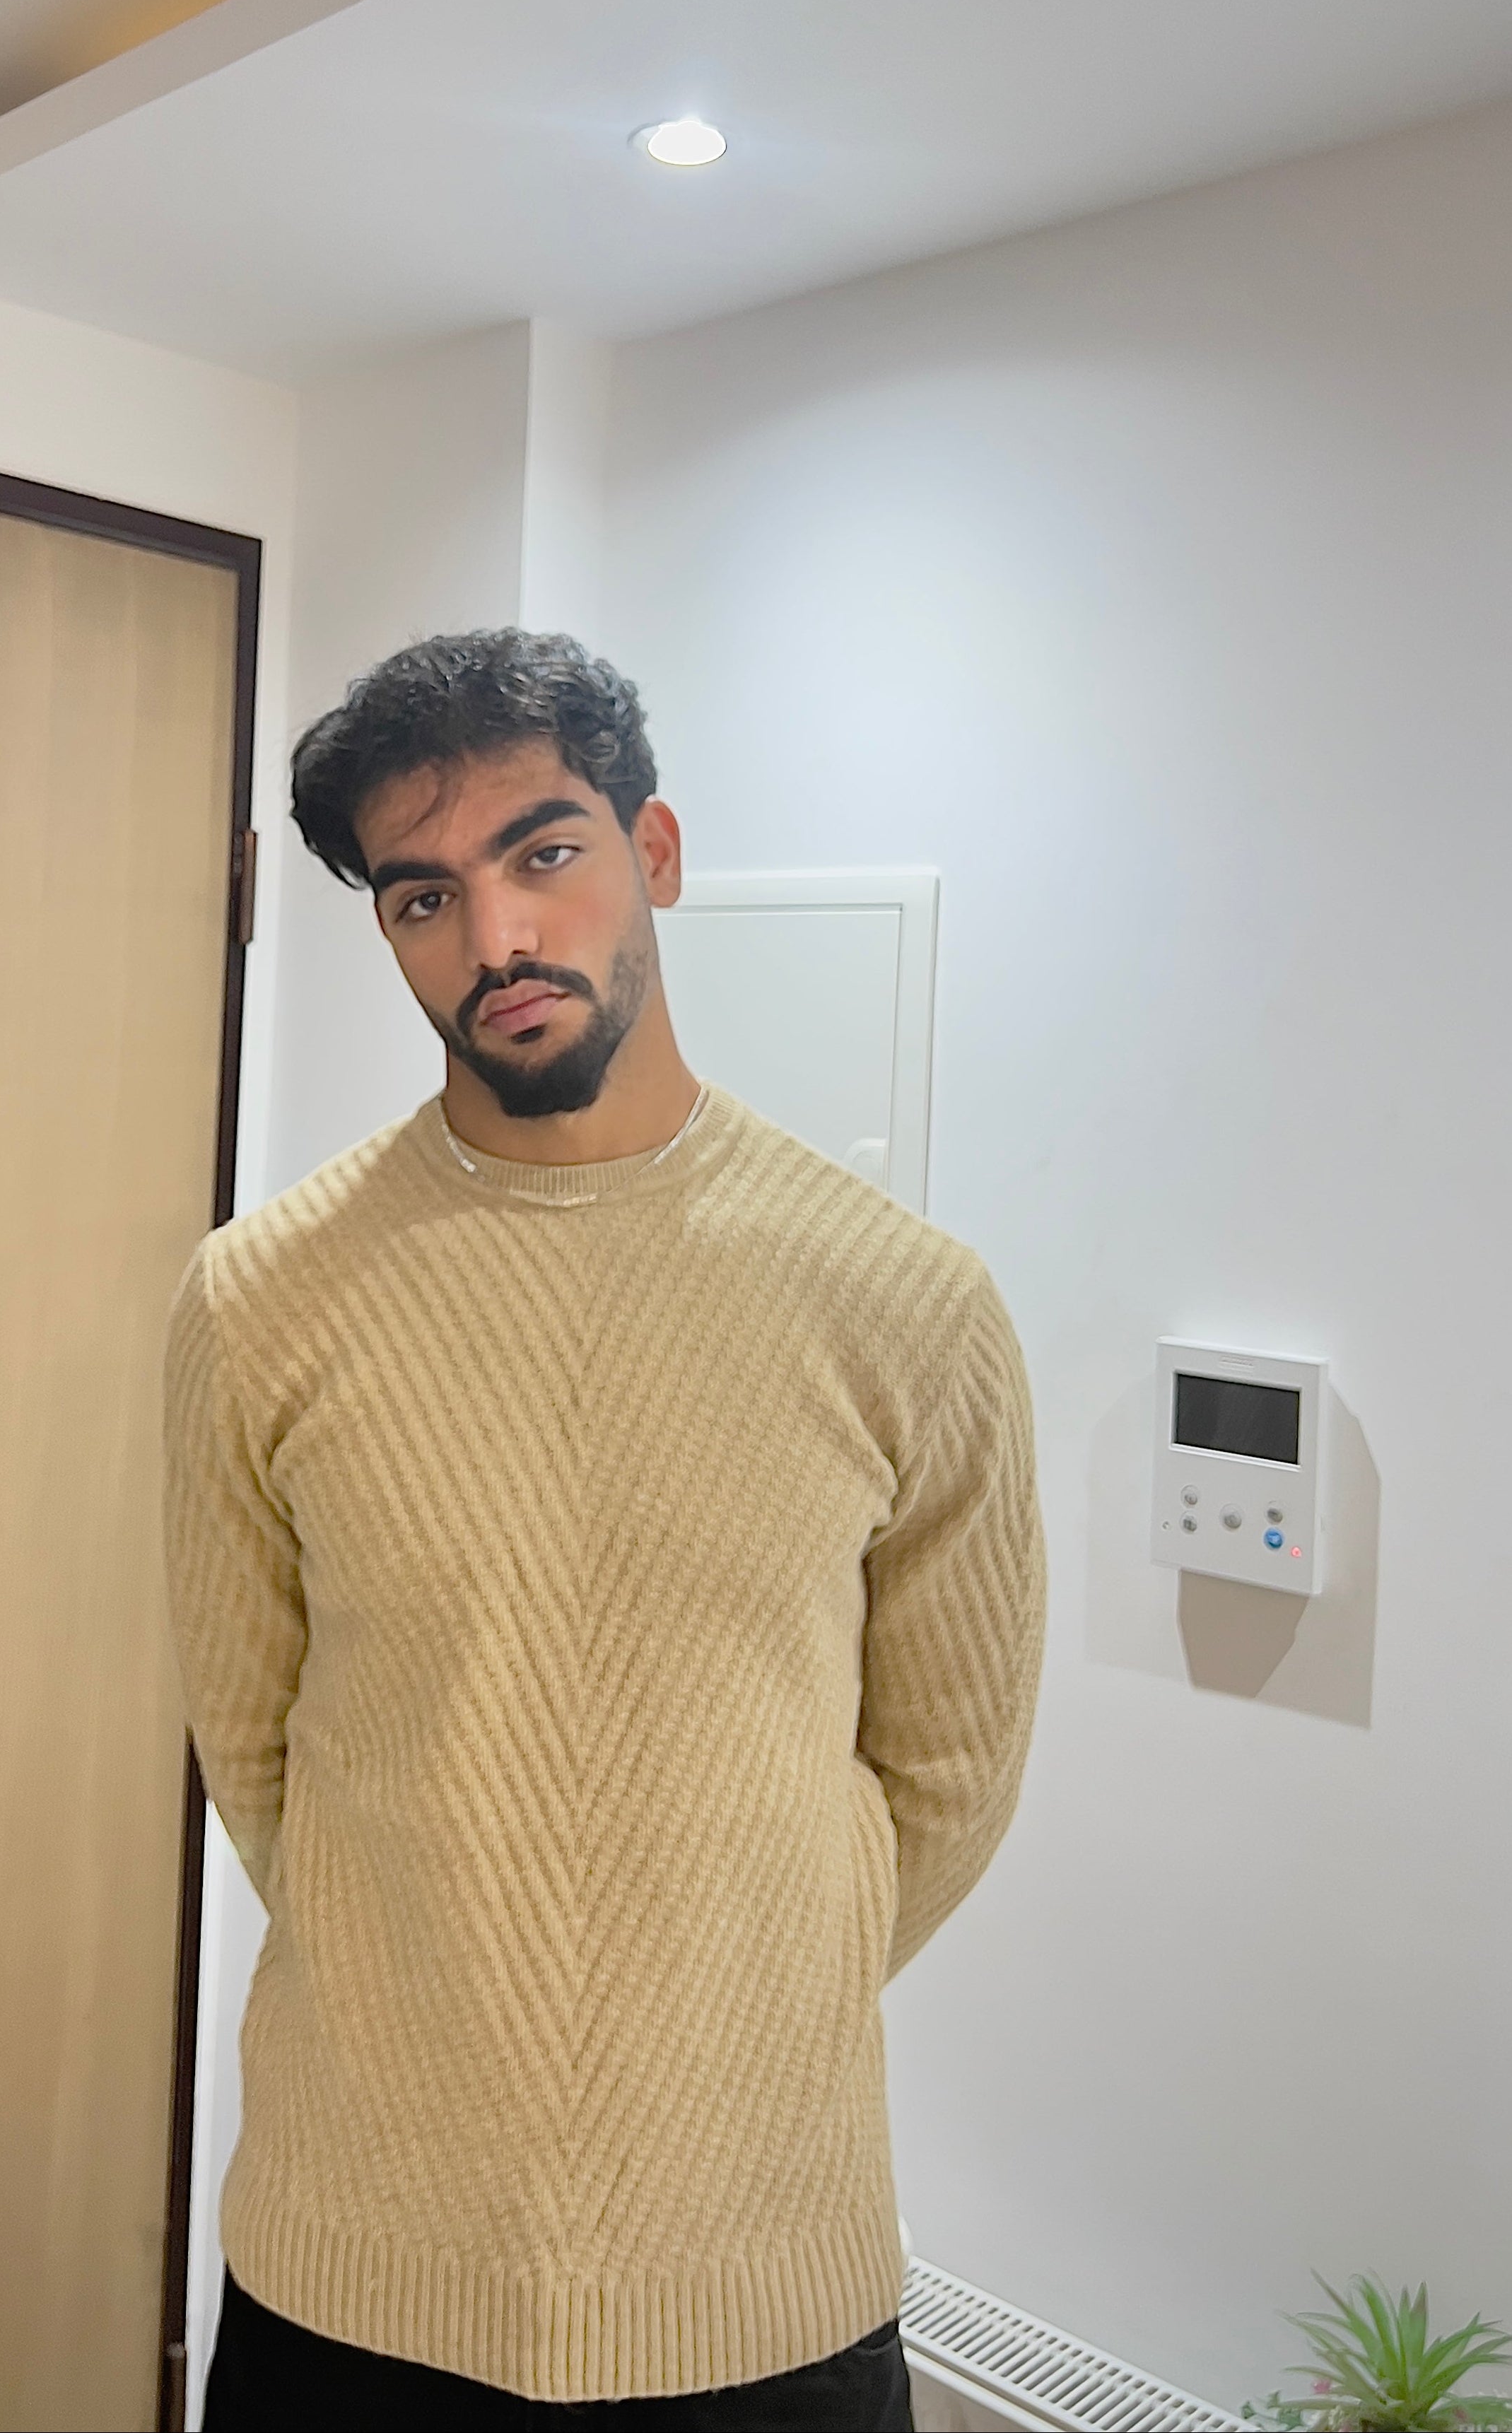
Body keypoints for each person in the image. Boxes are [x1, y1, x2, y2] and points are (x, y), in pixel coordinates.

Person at [163, 629, 1048, 2429]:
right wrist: (447, 1957)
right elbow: (253, 1750)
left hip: (760, 2277)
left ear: (650, 854)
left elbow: (945, 1777)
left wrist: (715, 1972)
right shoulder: (261, 1302)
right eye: (424, 894)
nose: (493, 938)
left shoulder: (904, 1303)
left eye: (541, 853)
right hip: (353, 2274)